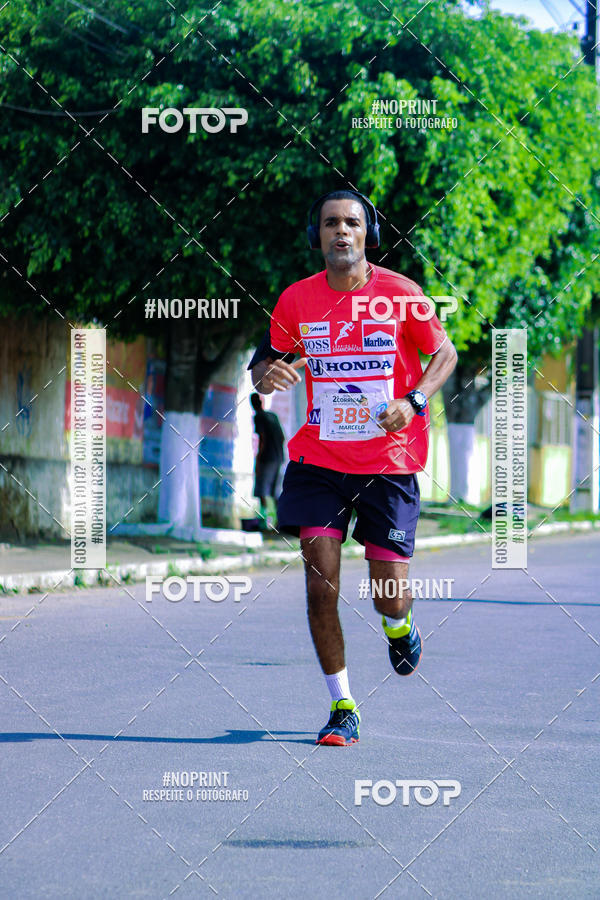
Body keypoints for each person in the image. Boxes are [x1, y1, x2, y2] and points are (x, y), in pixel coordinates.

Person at [250, 189, 457, 746]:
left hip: (387, 464)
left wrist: (412, 402)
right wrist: (266, 375)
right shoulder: (296, 299)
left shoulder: (401, 294)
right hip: (318, 462)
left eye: (352, 223)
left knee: (388, 592)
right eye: (330, 223)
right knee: (321, 588)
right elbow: (265, 359)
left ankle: (400, 625)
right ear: (316, 235)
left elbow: (445, 355)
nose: (341, 231)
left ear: (369, 234)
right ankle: (342, 705)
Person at [250, 392, 285, 526]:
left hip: (267, 458)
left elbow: (262, 439)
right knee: (276, 492)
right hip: (279, 458)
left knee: (262, 490)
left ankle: (264, 521)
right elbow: (282, 438)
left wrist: (258, 460)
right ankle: (280, 521)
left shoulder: (259, 417)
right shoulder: (273, 416)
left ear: (253, 404)